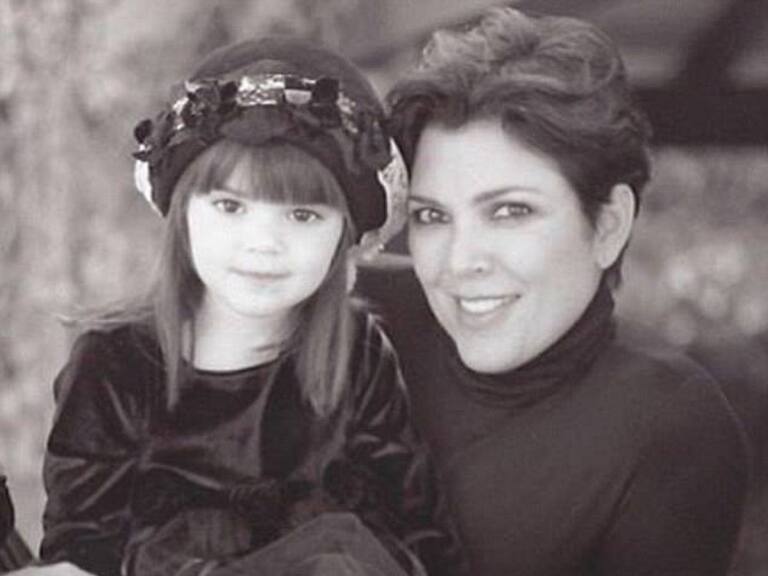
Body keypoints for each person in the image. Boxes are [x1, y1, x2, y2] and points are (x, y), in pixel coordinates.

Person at [39, 37, 458, 576]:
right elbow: (81, 551)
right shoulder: (115, 364)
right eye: (230, 206)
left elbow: (415, 529)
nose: (263, 244)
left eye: (302, 216)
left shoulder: (357, 352)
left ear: (344, 236)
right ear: (182, 214)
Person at [357, 7, 750, 576]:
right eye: (432, 216)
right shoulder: (360, 322)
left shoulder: (666, 427)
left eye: (510, 211)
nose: (460, 262)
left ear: (608, 225)